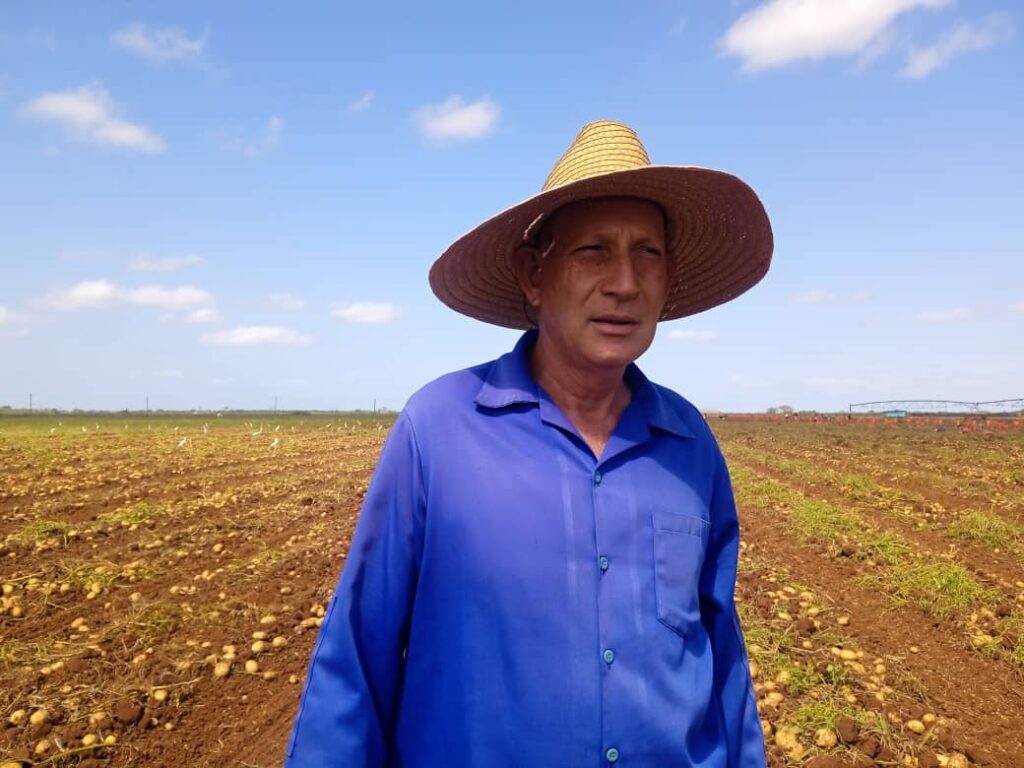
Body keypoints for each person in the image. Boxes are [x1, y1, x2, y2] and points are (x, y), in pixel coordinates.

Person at [285, 120, 773, 767]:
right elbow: (356, 659)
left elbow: (721, 654)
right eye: (594, 251)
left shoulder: (689, 445)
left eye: (647, 253)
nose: (625, 283)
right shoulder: (437, 430)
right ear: (532, 275)